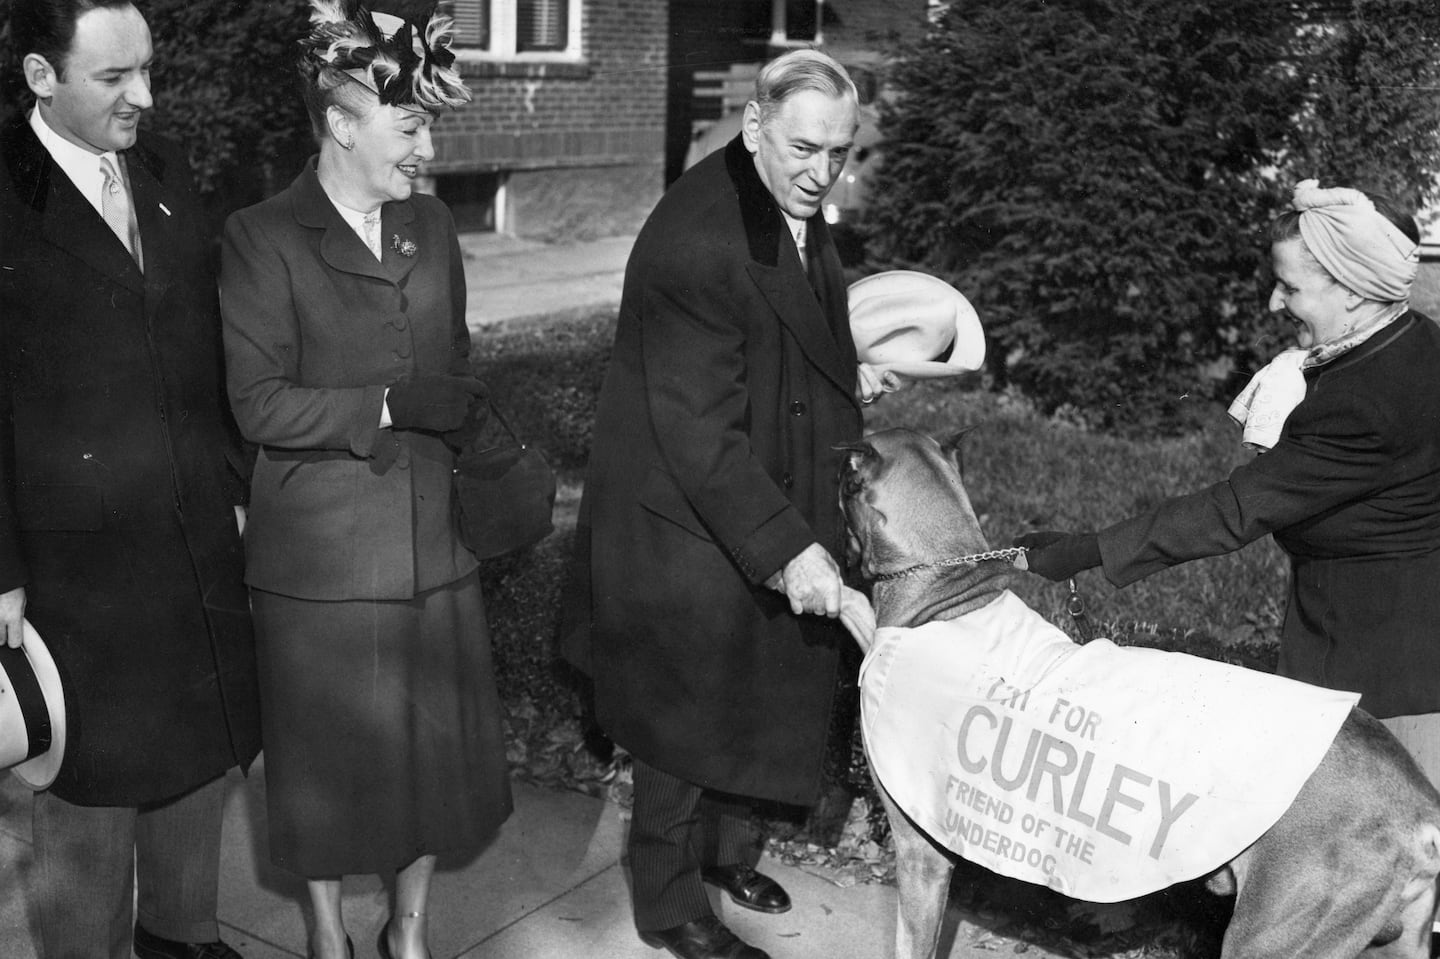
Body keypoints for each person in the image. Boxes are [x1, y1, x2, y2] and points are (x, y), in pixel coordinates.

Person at [561, 48, 878, 959]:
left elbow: (788, 336)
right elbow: (699, 430)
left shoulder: (785, 198)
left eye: (840, 152)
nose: (824, 174)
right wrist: (792, 549)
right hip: (683, 513)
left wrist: (850, 373)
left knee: (761, 682)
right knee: (686, 711)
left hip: (753, 480)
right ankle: (666, 904)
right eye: (806, 149)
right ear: (753, 127)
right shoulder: (695, 237)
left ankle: (725, 851)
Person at [218, 3, 511, 958]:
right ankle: (329, 936)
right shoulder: (264, 236)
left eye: (427, 124)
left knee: (429, 765)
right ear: (343, 122)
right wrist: (386, 404)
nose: (426, 146)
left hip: (433, 543)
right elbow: (259, 403)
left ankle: (409, 932)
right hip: (322, 562)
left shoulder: (430, 223)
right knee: (323, 772)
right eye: (412, 124)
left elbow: (456, 357)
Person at [1017, 179, 1440, 784]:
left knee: (1355, 859)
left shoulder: (1363, 400)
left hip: (1376, 672)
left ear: (1351, 291)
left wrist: (1084, 551)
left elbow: (1234, 510)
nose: (1273, 303)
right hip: (1410, 641)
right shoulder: (1416, 343)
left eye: (1290, 287)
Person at [0, 0, 261, 956]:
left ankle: (181, 936)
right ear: (40, 76)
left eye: (146, 70)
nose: (143, 96)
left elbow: (205, 348)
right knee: (90, 787)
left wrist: (234, 484)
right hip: (74, 565)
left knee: (202, 750)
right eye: (114, 77)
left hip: (191, 533)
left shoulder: (165, 170)